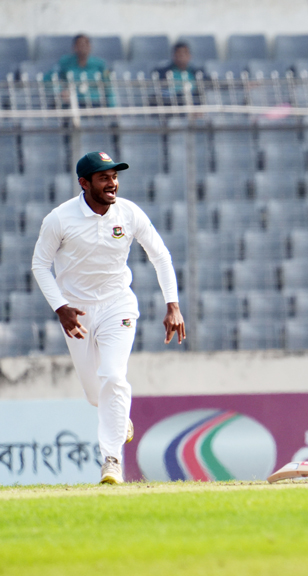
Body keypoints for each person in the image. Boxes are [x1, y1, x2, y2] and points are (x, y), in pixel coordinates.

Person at [31, 151, 186, 484]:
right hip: (78, 313)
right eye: (104, 177)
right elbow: (40, 266)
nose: (112, 183)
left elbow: (160, 256)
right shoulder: (60, 219)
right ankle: (117, 418)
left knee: (114, 376)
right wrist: (61, 307)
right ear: (84, 183)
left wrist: (172, 305)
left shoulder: (129, 213)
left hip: (119, 306)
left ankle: (111, 460)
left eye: (115, 176)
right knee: (95, 394)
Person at [57, 34, 111, 106]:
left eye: (86, 44)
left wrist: (112, 107)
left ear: (90, 47)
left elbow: (108, 87)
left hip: (95, 104)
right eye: (80, 45)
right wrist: (62, 91)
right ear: (75, 47)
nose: (83, 48)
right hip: (72, 104)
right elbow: (54, 80)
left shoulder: (100, 64)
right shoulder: (65, 63)